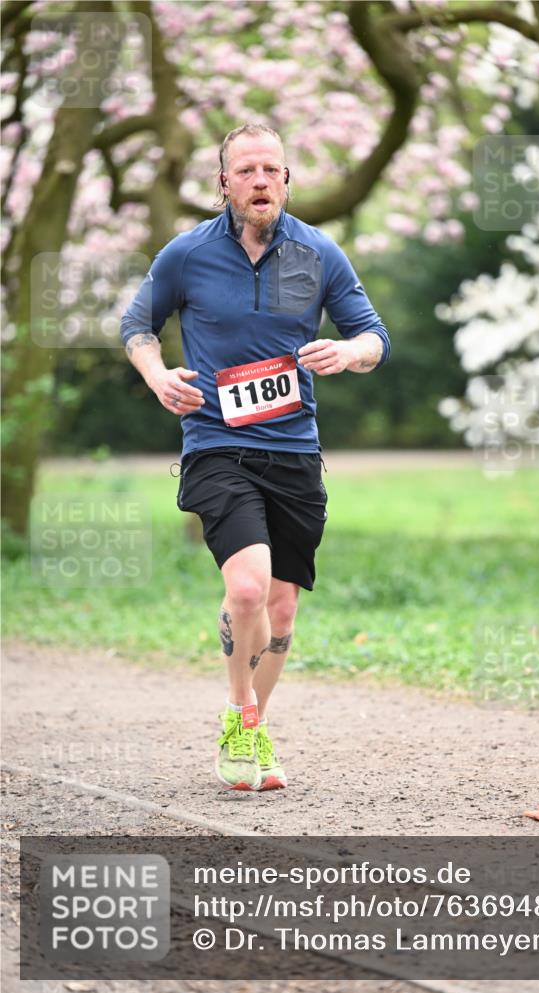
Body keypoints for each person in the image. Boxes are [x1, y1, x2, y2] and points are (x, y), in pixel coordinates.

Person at [120, 124, 390, 792]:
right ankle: (240, 713)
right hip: (217, 443)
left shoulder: (318, 253)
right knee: (245, 589)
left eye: (271, 169)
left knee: (281, 608)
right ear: (224, 183)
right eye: (246, 170)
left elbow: (373, 336)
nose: (260, 180)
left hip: (294, 451)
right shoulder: (187, 254)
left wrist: (348, 352)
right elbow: (137, 327)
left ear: (287, 180)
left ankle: (251, 726)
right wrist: (157, 376)